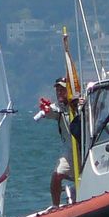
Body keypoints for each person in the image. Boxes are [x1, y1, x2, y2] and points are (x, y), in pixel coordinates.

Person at [35, 78, 81, 206]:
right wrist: (45, 110)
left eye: (62, 90)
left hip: (85, 149)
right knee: (57, 175)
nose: (59, 92)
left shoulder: (81, 104)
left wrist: (81, 103)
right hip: (69, 150)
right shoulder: (58, 108)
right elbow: (50, 112)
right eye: (58, 90)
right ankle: (55, 206)